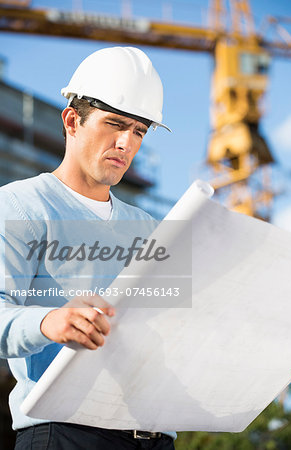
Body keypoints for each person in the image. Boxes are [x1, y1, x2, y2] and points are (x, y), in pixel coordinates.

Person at [0, 46, 176, 449]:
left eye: (138, 131)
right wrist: (48, 322)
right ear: (72, 120)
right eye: (114, 124)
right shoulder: (20, 206)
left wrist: (264, 358)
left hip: (154, 436)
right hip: (64, 434)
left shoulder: (151, 230)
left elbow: (182, 332)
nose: (126, 143)